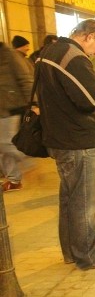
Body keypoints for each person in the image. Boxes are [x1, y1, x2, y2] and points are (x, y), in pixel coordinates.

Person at [35, 19, 95, 269]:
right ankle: (88, 255)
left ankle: (71, 252)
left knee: (70, 198)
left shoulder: (48, 52)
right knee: (84, 200)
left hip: (58, 137)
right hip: (77, 139)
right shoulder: (74, 57)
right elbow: (91, 100)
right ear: (88, 35)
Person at [0, 42, 33, 192]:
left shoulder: (10, 55)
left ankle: (27, 161)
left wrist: (33, 103)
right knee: (3, 148)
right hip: (3, 107)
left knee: (4, 144)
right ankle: (13, 180)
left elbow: (25, 80)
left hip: (10, 106)